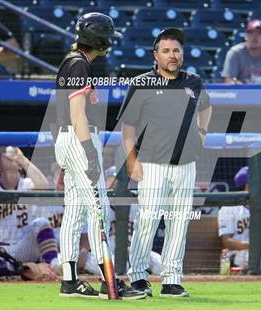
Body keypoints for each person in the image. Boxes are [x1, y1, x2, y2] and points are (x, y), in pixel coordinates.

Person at [54, 12, 145, 299]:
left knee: (75, 211)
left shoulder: (74, 62)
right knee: (98, 210)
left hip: (68, 140)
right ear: (98, 37)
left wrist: (69, 155)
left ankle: (70, 281)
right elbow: (77, 114)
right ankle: (110, 282)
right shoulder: (78, 64)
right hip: (78, 139)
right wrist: (89, 155)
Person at [119, 28, 212, 297]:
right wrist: (132, 160)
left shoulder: (193, 82)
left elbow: (206, 107)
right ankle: (137, 277)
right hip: (152, 164)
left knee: (178, 223)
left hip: (185, 165)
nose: (173, 55)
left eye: (177, 50)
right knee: (147, 221)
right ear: (155, 54)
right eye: (167, 50)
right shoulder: (141, 83)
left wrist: (202, 132)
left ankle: (172, 280)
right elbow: (127, 128)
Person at [78, 166, 162, 276]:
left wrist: (135, 249)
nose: (116, 185)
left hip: (135, 253)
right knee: (97, 261)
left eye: (120, 181)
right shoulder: (98, 207)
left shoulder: (137, 207)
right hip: (107, 255)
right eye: (112, 180)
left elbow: (146, 235)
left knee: (161, 264)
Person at [0, 146, 61, 276]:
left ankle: (55, 265)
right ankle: (29, 269)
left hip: (24, 245)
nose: (10, 155)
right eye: (5, 154)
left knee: (41, 222)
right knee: (0, 268)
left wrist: (23, 160)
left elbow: (44, 186)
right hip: (2, 249)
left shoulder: (26, 184)